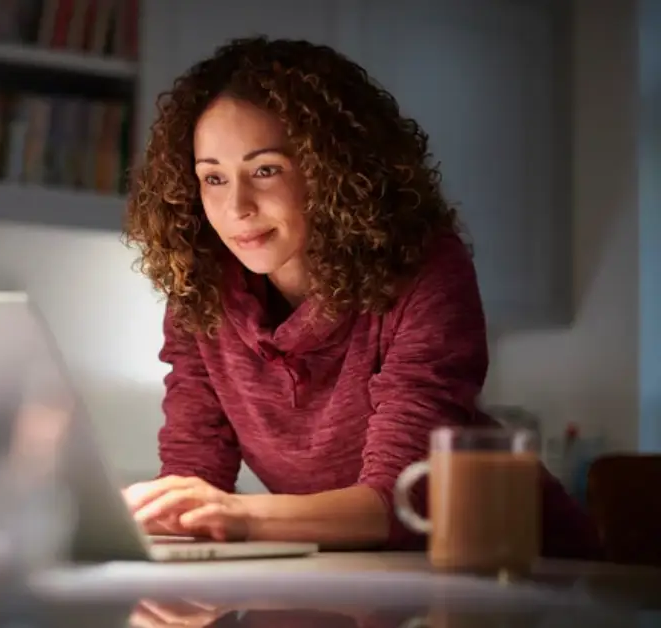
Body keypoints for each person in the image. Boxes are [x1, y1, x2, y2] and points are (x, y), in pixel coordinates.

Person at [120, 35, 602, 558]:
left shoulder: (422, 268)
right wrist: (157, 512)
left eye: (265, 170)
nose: (236, 206)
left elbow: (399, 499)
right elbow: (193, 475)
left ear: (332, 172)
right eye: (212, 177)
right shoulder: (202, 289)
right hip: (369, 577)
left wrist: (236, 514)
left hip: (531, 568)